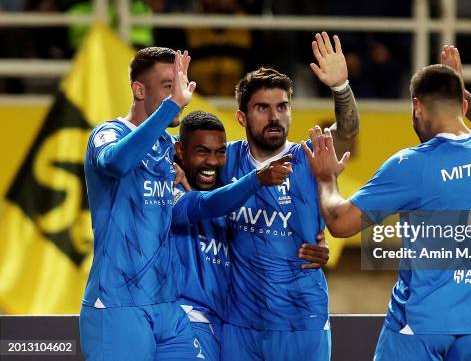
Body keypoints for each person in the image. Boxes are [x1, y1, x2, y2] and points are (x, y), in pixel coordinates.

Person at [301, 45, 471, 361]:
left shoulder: (412, 165)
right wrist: (465, 94)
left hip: (419, 325)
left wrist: (326, 178)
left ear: (417, 107)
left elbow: (340, 223)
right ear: (463, 106)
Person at [81, 47, 291, 360]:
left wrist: (254, 180)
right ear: (139, 90)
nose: (181, 91)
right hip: (117, 305)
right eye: (169, 85)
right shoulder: (108, 133)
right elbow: (117, 163)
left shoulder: (165, 147)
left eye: (182, 83)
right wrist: (172, 106)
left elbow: (192, 207)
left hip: (168, 311)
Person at [219, 32, 360, 361]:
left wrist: (340, 87)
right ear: (241, 116)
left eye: (282, 107)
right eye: (262, 108)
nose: (274, 116)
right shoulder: (223, 161)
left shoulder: (310, 157)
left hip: (303, 319)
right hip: (240, 325)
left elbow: (348, 131)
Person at [171, 110, 331, 360]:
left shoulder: (231, 200)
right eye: (201, 151)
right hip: (185, 320)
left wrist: (313, 242)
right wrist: (256, 179)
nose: (212, 161)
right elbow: (200, 204)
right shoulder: (172, 188)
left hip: (227, 327)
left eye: (220, 152)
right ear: (181, 151)